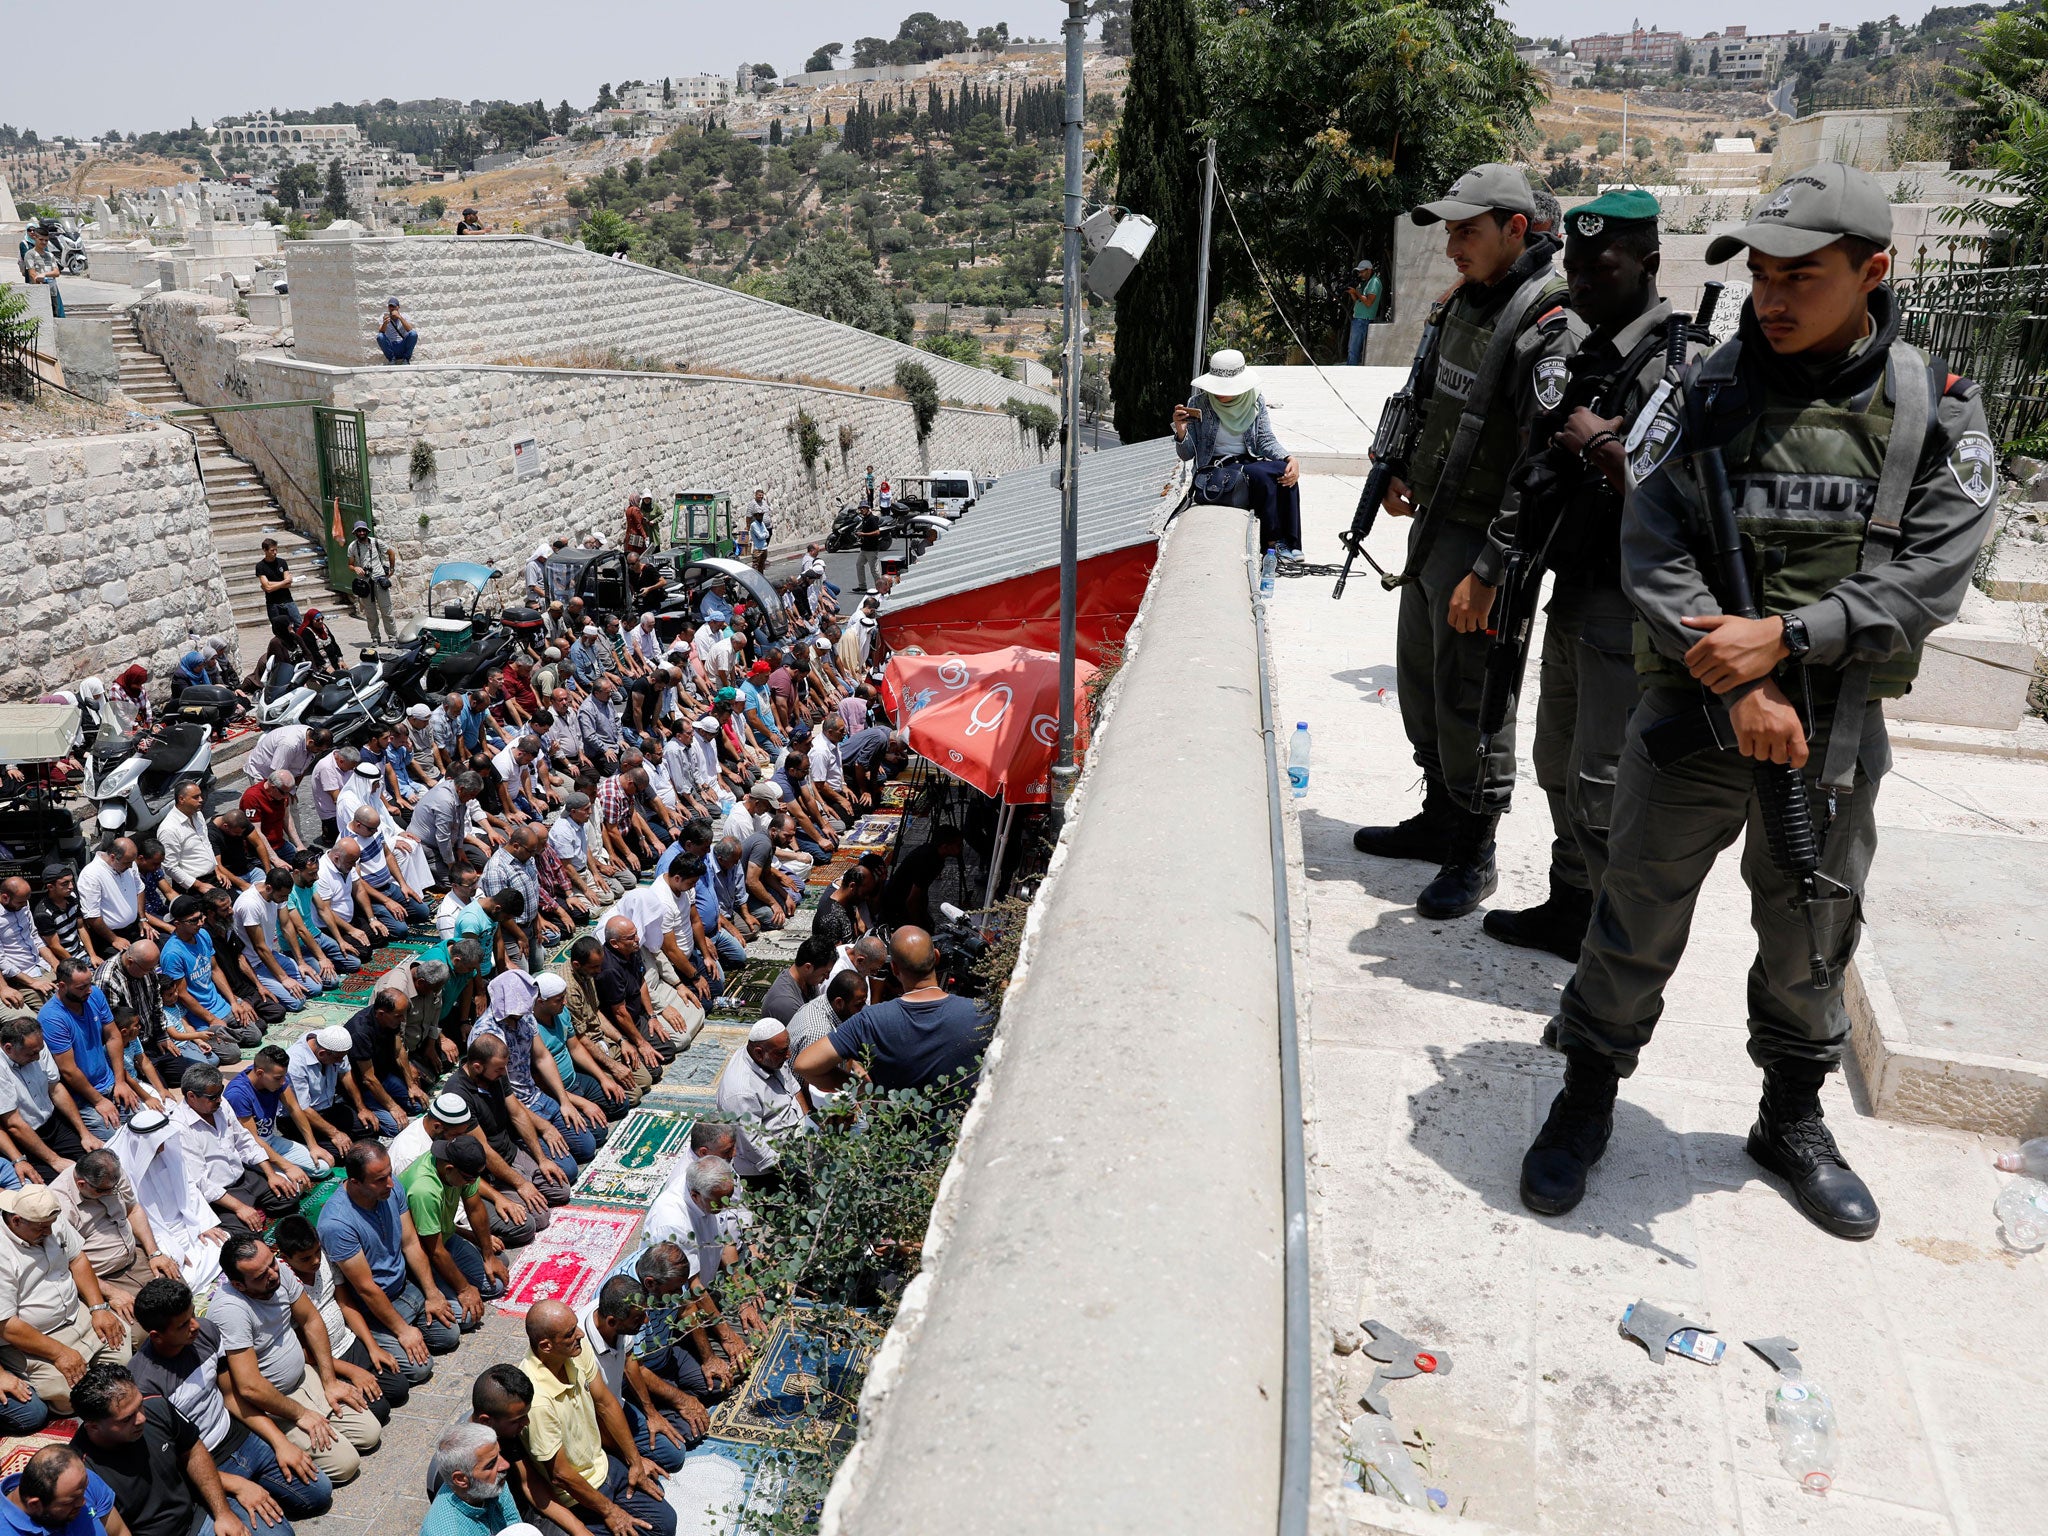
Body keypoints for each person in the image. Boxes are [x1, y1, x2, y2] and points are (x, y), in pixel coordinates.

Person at [1522, 163, 1998, 1242]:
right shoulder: (1699, 388)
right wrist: (1730, 674)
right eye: (1761, 276)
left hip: (1827, 730)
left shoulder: (1936, 407)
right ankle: (1585, 1094)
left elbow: (1930, 576)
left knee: (1810, 931)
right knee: (1631, 910)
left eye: (1803, 277)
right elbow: (1650, 542)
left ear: (1873, 271)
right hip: (1693, 712)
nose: (1770, 300)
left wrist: (1781, 644)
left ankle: (1788, 1119)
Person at [1482, 191, 1704, 967]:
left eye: (1599, 267)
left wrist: (1609, 455)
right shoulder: (1587, 353)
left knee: (1606, 787)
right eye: (1572, 265)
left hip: (1628, 608)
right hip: (1573, 590)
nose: (1578, 281)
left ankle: (1614, 963)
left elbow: (1696, 508)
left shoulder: (1683, 367)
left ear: (1648, 264)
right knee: (1558, 766)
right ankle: (1571, 906)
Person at [1350, 162, 1574, 920]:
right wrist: (1398, 471)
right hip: (1437, 525)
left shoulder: (1546, 323)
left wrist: (1490, 569)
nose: (1452, 245)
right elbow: (1434, 400)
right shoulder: (1465, 303)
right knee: (1422, 676)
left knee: (1473, 692)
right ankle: (1441, 815)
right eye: (1448, 230)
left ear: (1518, 229)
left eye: (1467, 231)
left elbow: (1539, 464)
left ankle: (1475, 849)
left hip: (1487, 542)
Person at [127, 1279, 334, 1521]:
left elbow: (231, 1396)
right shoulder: (142, 1385)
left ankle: (264, 1494)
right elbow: (170, 1459)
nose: (195, 1325)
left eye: (193, 1314)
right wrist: (234, 1485)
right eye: (184, 1324)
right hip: (206, 1464)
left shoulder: (205, 1333)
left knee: (319, 1492)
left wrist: (280, 1442)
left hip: (239, 1437)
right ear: (157, 1335)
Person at [209, 1234, 382, 1485]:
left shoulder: (277, 1273)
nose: (272, 1274)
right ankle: (275, 1442)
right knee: (346, 1465)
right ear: (239, 1285)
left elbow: (310, 1320)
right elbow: (249, 1386)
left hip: (305, 1377)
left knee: (370, 1433)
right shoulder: (230, 1311)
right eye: (260, 1275)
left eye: (271, 1263)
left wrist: (330, 1380)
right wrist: (300, 1414)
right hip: (277, 1402)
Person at [71, 1362, 297, 1536]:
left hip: (199, 1515)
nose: (141, 1418)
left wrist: (223, 1513)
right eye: (127, 1419)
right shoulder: (81, 1473)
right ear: (93, 1426)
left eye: (139, 1404)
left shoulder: (156, 1406)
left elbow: (194, 1451)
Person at [517, 1300, 676, 1536]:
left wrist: (634, 1460)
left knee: (664, 1522)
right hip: (578, 1494)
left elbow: (606, 1403)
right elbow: (561, 1475)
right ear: (546, 1346)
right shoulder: (537, 1400)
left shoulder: (575, 1352)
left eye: (576, 1326)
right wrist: (609, 1511)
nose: (580, 1333)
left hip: (605, 1464)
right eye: (570, 1333)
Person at [316, 1144, 461, 1387]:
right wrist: (402, 1330)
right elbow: (365, 1288)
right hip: (375, 1306)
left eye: (389, 1174)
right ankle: (390, 1335)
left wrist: (432, 1292)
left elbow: (411, 1243)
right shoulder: (337, 1224)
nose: (391, 1184)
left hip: (405, 1288)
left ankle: (413, 1328)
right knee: (419, 1369)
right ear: (355, 1182)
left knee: (453, 1329)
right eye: (380, 1180)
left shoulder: (390, 1188)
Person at [795, 927, 988, 1097]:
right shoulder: (980, 1013)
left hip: (895, 1133)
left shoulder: (871, 1020)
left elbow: (805, 1065)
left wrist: (862, 1087)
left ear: (894, 968)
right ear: (936, 957)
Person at [0, 1185, 132, 1416]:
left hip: (75, 1313)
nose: (50, 1232)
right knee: (70, 1395)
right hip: (33, 1338)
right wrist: (60, 1353)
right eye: (42, 1228)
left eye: (51, 1225)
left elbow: (78, 1259)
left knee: (120, 1348)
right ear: (16, 1221)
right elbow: (7, 1326)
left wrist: (98, 1308)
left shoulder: (47, 1220)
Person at [270, 1216, 407, 1419]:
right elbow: (303, 1350)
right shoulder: (281, 1287)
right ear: (286, 1258)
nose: (316, 1260)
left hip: (349, 1342)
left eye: (317, 1251)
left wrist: (372, 1346)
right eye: (306, 1258)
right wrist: (351, 1371)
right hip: (325, 1361)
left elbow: (345, 1304)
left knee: (399, 1387)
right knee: (379, 1410)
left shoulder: (324, 1260)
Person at [1174, 349, 1304, 558]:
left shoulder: (1255, 401)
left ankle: (1291, 542)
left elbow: (1264, 439)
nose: (1220, 392)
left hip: (1248, 461)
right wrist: (1181, 431)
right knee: (1262, 477)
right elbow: (1187, 454)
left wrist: (1289, 458)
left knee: (1284, 472)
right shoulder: (1198, 404)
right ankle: (1271, 544)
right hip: (1215, 467)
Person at [170, 1066, 303, 1239]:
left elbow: (244, 1140)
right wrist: (239, 1207)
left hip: (244, 1177)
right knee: (246, 1236)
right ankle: (245, 1211)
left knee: (289, 1195)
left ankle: (254, 1206)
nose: (219, 1100)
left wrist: (271, 1174)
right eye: (213, 1097)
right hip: (221, 1194)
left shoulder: (220, 1104)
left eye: (220, 1093)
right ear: (191, 1097)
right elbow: (201, 1182)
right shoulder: (179, 1128)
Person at [48, 1149, 184, 1316]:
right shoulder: (59, 1205)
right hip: (102, 1278)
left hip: (136, 1258)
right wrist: (111, 1293)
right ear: (82, 1184)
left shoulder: (112, 1175)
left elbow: (132, 1209)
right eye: (103, 1191)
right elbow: (68, 1264)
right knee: (143, 1328)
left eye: (114, 1187)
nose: (111, 1193)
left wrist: (154, 1253)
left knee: (181, 1298)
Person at [103, 1110, 227, 1290]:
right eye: (157, 1143)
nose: (163, 1148)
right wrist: (165, 1248)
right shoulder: (116, 1166)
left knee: (223, 1242)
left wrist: (202, 1223)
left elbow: (188, 1184)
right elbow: (131, 1214)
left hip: (184, 1223)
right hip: (153, 1235)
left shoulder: (166, 1149)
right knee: (177, 1277)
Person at [398, 1137, 506, 1330]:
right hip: (422, 1251)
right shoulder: (425, 1190)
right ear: (449, 1169)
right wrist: (464, 1289)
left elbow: (475, 1208)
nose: (472, 1183)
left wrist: (488, 1255)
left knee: (496, 1278)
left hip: (445, 1235)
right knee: (467, 1318)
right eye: (469, 1179)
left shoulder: (460, 1167)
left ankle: (459, 1279)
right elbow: (435, 1251)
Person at [223, 1046, 330, 1182]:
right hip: (250, 1151)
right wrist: (287, 1167)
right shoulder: (238, 1095)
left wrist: (313, 1145)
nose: (283, 1082)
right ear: (260, 1073)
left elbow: (294, 1108)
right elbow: (252, 1141)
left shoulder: (276, 1076)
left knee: (324, 1166)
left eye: (284, 1076)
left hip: (270, 1140)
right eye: (278, 1078)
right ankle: (253, 1173)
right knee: (294, 1186)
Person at [714, 1022, 810, 1164]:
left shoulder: (772, 1057)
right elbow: (755, 1149)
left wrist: (808, 1126)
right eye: (782, 1051)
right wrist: (794, 1166)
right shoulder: (741, 1093)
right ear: (759, 1053)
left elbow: (794, 1090)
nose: (788, 1055)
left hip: (797, 1139)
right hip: (772, 1163)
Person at [421, 1422, 520, 1536]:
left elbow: (513, 1522)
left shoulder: (492, 1482)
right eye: (491, 1464)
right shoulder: (450, 1532)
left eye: (499, 1455)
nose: (505, 1465)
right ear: (461, 1480)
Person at [1, 1445, 113, 1536]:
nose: (82, 1502)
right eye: (69, 1502)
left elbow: (119, 1531)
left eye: (84, 1490)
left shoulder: (78, 1482)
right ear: (35, 1505)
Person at [77, 841, 145, 955]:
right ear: (113, 857)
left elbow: (140, 888)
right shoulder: (91, 875)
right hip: (108, 937)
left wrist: (142, 919)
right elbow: (92, 916)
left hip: (134, 928)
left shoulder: (128, 864)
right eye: (127, 863)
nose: (130, 866)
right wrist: (114, 939)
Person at [345, 523, 398, 644]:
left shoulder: (376, 542)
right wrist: (356, 568)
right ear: (355, 533)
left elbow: (391, 553)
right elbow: (350, 564)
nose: (361, 533)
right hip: (365, 583)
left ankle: (393, 637)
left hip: (379, 580)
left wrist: (392, 569)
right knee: (370, 614)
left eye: (363, 530)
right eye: (359, 531)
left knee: (387, 611)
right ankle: (375, 637)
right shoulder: (352, 546)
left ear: (367, 531)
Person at [255, 539, 300, 633]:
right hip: (273, 603)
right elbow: (268, 588)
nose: (275, 552)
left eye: (276, 550)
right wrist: (283, 582)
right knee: (278, 630)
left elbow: (288, 584)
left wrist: (271, 584)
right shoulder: (260, 566)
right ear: (265, 550)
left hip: (288, 600)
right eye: (272, 550)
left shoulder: (282, 562)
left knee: (298, 625)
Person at [1345, 258, 1384, 366]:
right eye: (1359, 272)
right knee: (1353, 350)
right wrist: (1352, 292)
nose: (1360, 274)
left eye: (1362, 271)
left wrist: (1356, 292)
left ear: (1369, 270)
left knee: (1353, 351)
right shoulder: (1367, 283)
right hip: (1359, 319)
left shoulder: (1374, 282)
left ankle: (1350, 374)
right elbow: (1358, 300)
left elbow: (1368, 302)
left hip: (1363, 320)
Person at [854, 499, 885, 595]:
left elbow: (877, 532)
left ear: (868, 509)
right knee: (859, 565)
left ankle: (880, 588)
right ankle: (862, 586)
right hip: (864, 548)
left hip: (871, 548)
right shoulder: (865, 518)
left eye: (863, 508)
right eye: (861, 508)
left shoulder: (872, 519)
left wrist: (863, 534)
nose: (862, 510)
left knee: (874, 570)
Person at [373, 299, 416, 365]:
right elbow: (381, 332)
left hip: (402, 345)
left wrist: (399, 317)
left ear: (398, 307)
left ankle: (406, 359)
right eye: (390, 306)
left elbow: (409, 330)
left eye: (394, 306)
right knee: (380, 336)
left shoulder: (405, 316)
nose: (392, 308)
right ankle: (391, 359)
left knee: (413, 334)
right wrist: (385, 323)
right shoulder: (384, 317)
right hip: (391, 346)